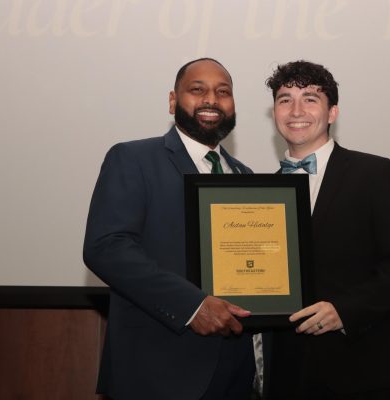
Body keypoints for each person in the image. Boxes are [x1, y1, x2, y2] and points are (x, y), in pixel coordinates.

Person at [83, 58, 255, 400]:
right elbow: (107, 247)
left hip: (236, 372)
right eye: (197, 90)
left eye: (223, 92)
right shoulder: (133, 158)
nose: (211, 99)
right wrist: (193, 306)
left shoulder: (246, 176)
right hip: (158, 373)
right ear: (173, 101)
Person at [263, 60, 390, 400]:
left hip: (362, 370)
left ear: (332, 112)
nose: (296, 110)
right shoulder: (261, 192)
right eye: (284, 99)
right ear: (274, 112)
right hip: (288, 377)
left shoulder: (373, 173)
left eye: (310, 98)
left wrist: (343, 311)